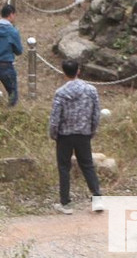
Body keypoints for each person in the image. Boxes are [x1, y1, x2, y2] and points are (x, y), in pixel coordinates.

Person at [48, 58, 104, 214]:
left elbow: (55, 118)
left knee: (64, 167)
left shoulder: (60, 93)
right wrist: (92, 130)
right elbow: (96, 113)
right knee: (87, 165)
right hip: (83, 133)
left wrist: (54, 134)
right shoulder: (91, 90)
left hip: (64, 135)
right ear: (78, 70)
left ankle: (65, 203)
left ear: (63, 71)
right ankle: (97, 198)